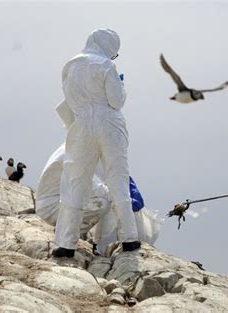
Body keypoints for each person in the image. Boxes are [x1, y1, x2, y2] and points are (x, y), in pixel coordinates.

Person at [53, 29, 140, 258]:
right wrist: (122, 86)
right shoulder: (106, 65)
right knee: (117, 178)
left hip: (81, 124)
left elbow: (69, 100)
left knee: (75, 181)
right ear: (108, 46)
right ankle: (129, 238)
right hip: (109, 123)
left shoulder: (69, 66)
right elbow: (116, 101)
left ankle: (65, 243)